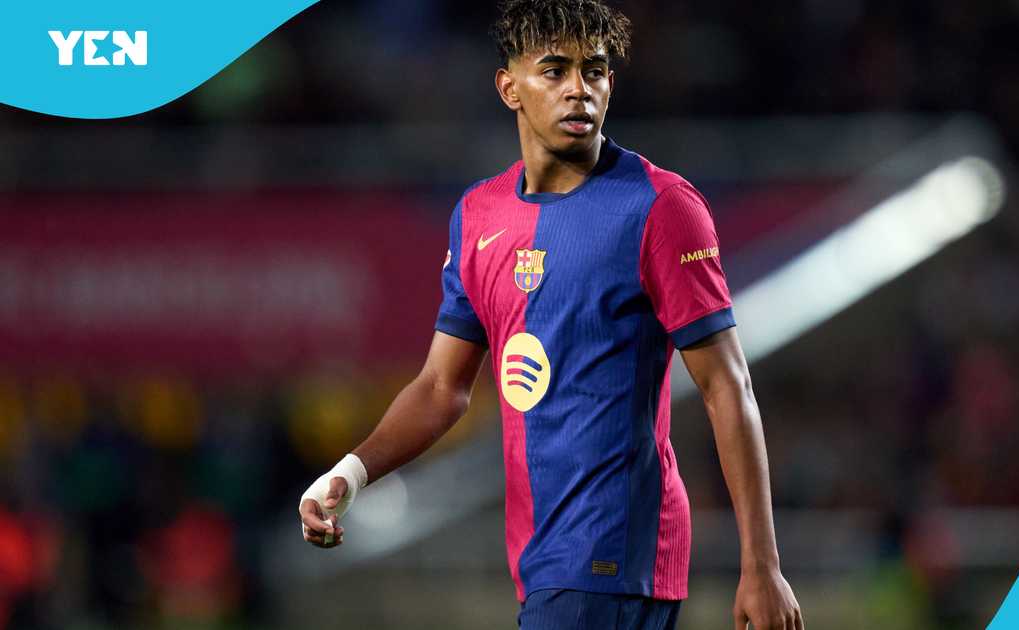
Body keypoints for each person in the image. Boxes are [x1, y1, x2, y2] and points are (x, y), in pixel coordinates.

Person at [298, 1, 803, 628]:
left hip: (615, 555)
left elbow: (727, 385)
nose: (578, 90)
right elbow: (439, 388)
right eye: (555, 70)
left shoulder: (661, 207)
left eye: (594, 71)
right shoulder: (479, 215)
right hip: (541, 562)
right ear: (509, 87)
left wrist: (762, 564)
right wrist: (350, 473)